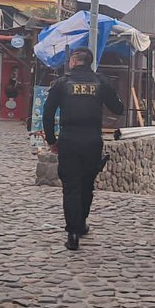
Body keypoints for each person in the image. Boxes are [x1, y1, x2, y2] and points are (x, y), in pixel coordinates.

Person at [43, 47, 124, 251]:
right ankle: (81, 224)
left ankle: (72, 232)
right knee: (87, 184)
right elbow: (118, 108)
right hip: (92, 140)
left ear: (73, 61)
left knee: (71, 186)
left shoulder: (61, 84)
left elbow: (48, 114)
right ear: (89, 62)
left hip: (69, 140)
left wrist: (52, 141)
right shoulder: (101, 82)